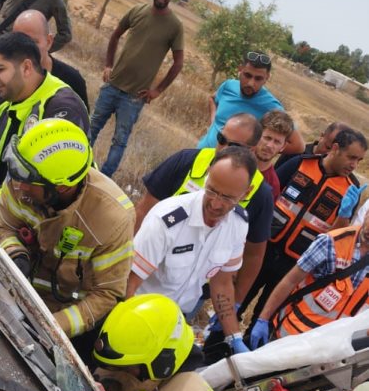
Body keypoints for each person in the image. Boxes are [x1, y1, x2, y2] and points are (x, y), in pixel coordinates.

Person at [0, 118, 134, 357]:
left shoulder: (112, 220)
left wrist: (51, 328)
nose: (19, 184)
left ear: (62, 188)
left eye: (28, 181)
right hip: (11, 295)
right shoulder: (23, 180)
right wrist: (16, 254)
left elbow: (105, 295)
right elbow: (0, 226)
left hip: (62, 320)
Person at [127, 145, 257, 354]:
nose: (215, 204)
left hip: (176, 321)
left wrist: (234, 338)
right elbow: (129, 281)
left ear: (246, 193)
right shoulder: (168, 219)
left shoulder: (239, 225)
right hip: (138, 312)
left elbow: (222, 282)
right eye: (212, 190)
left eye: (227, 198)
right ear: (207, 173)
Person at [134, 114, 272, 306]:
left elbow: (254, 254)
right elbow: (144, 210)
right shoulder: (187, 160)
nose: (223, 148)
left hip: (196, 289)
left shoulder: (260, 193)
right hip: (150, 275)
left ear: (251, 150)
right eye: (221, 139)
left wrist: (236, 301)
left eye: (233, 146)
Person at [0, 32, 89, 220]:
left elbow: (39, 185)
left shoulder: (62, 109)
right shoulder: (8, 99)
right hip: (5, 210)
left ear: (26, 68)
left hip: (50, 222)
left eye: (0, 69)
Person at [245, 128, 368, 321]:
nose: (354, 165)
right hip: (263, 248)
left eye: (359, 160)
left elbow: (336, 241)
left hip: (295, 264)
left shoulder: (350, 190)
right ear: (335, 148)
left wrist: (344, 215)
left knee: (264, 316)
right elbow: (266, 197)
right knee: (239, 299)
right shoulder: (300, 163)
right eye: (351, 157)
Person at [89, 0, 184, 178]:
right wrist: (108, 65)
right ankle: (78, 165)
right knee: (91, 128)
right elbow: (115, 36)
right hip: (112, 86)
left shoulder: (175, 26)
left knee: (119, 141)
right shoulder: (136, 11)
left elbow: (178, 63)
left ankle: (103, 178)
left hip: (134, 97)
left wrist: (158, 90)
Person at [0, 10, 88, 152]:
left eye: (33, 42)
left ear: (49, 41)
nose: (25, 50)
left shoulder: (72, 83)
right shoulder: (2, 72)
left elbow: (78, 141)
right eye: (19, 42)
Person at [249, 212, 369, 347]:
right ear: (366, 214)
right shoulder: (331, 243)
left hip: (333, 347)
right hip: (292, 337)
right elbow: (290, 280)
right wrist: (263, 318)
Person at [197, 51, 304, 157]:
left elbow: (298, 146)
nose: (251, 83)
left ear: (267, 78)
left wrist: (261, 149)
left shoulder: (272, 107)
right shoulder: (228, 86)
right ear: (240, 69)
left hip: (227, 168)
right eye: (247, 75)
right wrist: (213, 122)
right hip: (198, 154)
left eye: (258, 78)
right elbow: (212, 99)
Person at [254, 109, 294, 200]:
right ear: (257, 134)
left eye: (277, 142)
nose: (270, 145)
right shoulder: (233, 160)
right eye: (267, 138)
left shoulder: (272, 187)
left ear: (283, 146)